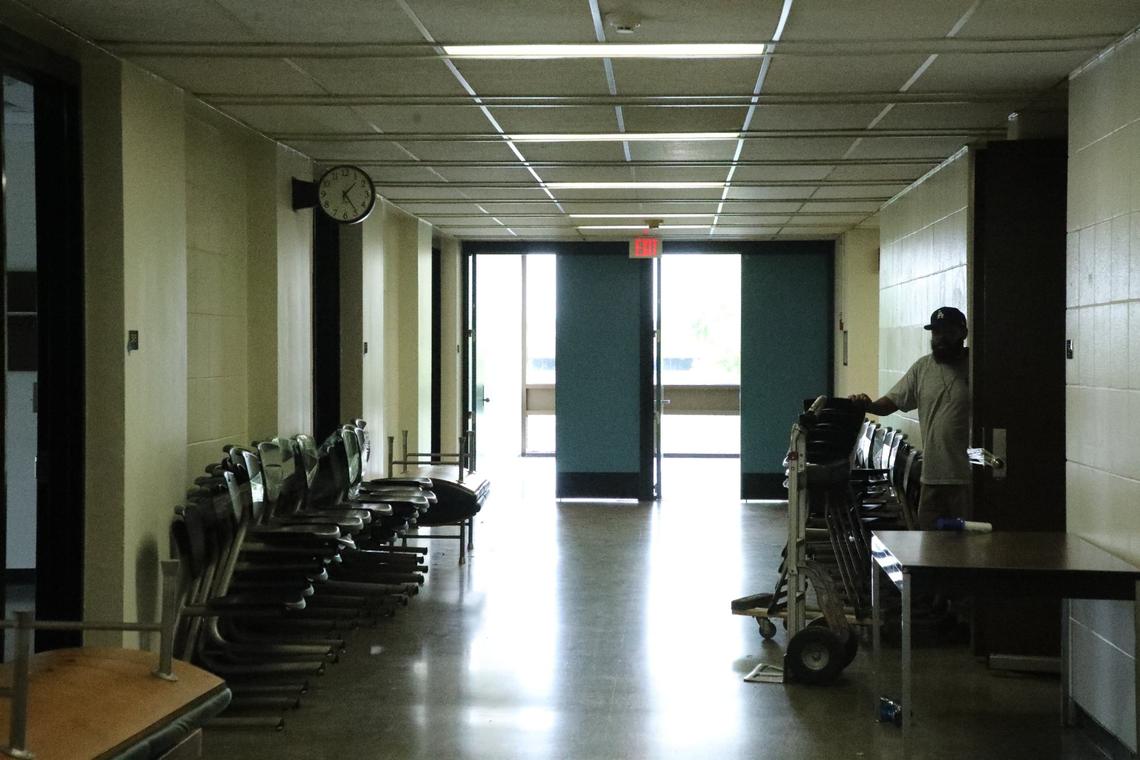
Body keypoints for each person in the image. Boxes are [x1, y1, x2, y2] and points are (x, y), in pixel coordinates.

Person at [849, 306, 970, 529]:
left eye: (947, 332)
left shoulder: (976, 367)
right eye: (936, 332)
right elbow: (890, 404)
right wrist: (867, 405)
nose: (940, 338)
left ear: (963, 333)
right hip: (931, 477)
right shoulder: (923, 368)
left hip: (966, 480)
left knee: (965, 548)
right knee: (929, 546)